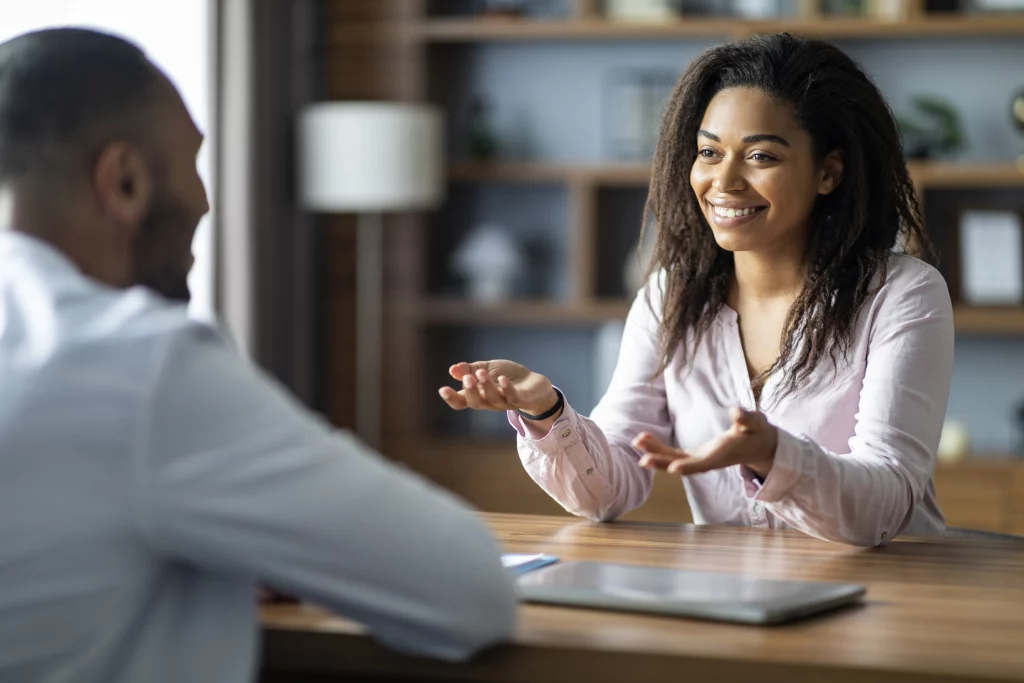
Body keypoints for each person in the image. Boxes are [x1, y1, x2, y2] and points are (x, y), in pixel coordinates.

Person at [0, 28, 517, 683]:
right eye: (193, 162)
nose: (206, 200)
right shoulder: (138, 362)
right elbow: (472, 591)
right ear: (124, 180)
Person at [439, 32, 953, 548]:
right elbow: (607, 492)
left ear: (828, 171)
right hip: (737, 599)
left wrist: (774, 455)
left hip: (888, 598)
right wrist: (547, 412)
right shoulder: (668, 297)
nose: (723, 181)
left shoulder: (903, 294)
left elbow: (884, 502)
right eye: (709, 152)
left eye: (761, 158)